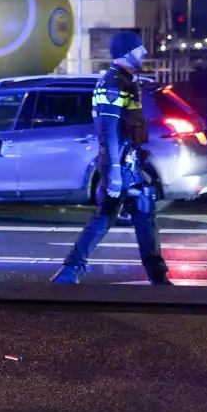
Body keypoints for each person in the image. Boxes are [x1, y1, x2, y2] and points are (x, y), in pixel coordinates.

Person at [51, 31, 171, 285]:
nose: (145, 53)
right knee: (141, 210)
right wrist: (115, 171)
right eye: (140, 49)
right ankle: (157, 277)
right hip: (119, 162)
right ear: (127, 53)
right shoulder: (113, 83)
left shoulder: (124, 80)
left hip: (125, 161)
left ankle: (71, 270)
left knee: (108, 216)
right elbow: (108, 130)